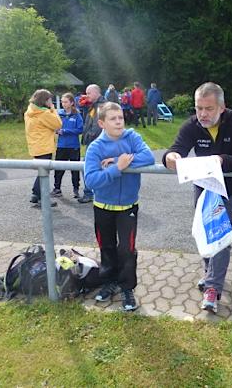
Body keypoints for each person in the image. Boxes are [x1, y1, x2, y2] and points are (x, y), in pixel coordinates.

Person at [162, 82, 232, 313]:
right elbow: (174, 151)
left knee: (220, 238)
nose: (203, 114)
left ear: (222, 107)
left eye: (209, 109)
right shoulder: (192, 125)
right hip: (203, 191)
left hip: (230, 191)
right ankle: (210, 274)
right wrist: (171, 158)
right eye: (198, 108)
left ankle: (212, 288)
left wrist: (223, 160)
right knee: (205, 235)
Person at [84, 102, 155, 311]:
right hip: (102, 207)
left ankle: (127, 288)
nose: (118, 122)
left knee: (127, 250)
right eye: (113, 119)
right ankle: (109, 282)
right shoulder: (95, 148)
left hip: (128, 207)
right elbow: (91, 181)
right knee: (107, 248)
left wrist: (117, 162)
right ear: (102, 123)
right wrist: (117, 169)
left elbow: (148, 156)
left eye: (121, 118)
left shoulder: (132, 137)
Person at [24, 89, 62, 207]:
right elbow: (58, 124)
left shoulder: (30, 111)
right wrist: (53, 109)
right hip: (44, 146)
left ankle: (36, 194)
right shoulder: (44, 113)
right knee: (44, 172)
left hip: (35, 145)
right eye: (50, 99)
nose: (51, 102)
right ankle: (40, 196)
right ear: (45, 100)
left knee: (42, 171)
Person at [77, 84, 106, 204]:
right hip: (93, 141)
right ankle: (91, 192)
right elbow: (88, 122)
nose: (86, 95)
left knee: (88, 167)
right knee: (90, 167)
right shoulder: (93, 106)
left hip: (96, 143)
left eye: (89, 93)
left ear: (96, 93)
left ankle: (90, 192)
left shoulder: (102, 106)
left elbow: (97, 127)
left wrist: (89, 137)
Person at [52, 92, 83, 199]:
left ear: (72, 103)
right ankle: (57, 188)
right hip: (61, 146)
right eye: (62, 102)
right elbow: (53, 125)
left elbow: (80, 129)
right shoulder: (59, 114)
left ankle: (76, 189)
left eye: (66, 102)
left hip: (73, 146)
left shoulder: (77, 114)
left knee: (74, 169)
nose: (63, 104)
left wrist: (65, 131)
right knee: (58, 169)